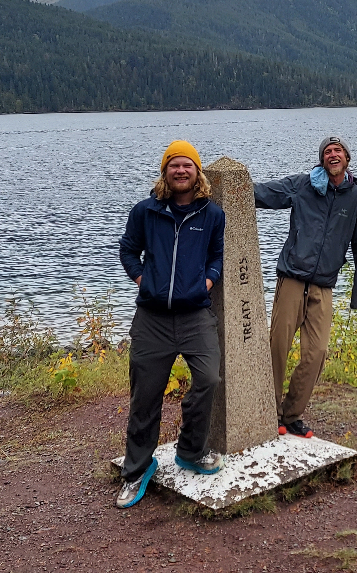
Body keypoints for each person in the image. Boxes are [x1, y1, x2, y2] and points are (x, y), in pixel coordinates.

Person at [115, 140, 226, 509]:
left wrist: (207, 281)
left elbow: (216, 255)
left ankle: (190, 450)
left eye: (188, 165)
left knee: (209, 378)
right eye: (174, 165)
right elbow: (128, 249)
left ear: (198, 173)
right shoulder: (145, 212)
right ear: (165, 171)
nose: (181, 171)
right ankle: (137, 470)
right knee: (145, 396)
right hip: (152, 318)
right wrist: (142, 280)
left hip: (196, 315)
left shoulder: (211, 215)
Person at [255, 136, 357, 438]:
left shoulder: (356, 197)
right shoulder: (303, 185)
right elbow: (264, 194)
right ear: (322, 159)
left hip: (323, 286)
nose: (333, 155)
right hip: (293, 278)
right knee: (278, 346)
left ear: (347, 157)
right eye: (328, 152)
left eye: (338, 151)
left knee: (317, 352)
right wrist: (222, 187)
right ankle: (269, 412)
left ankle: (291, 414)